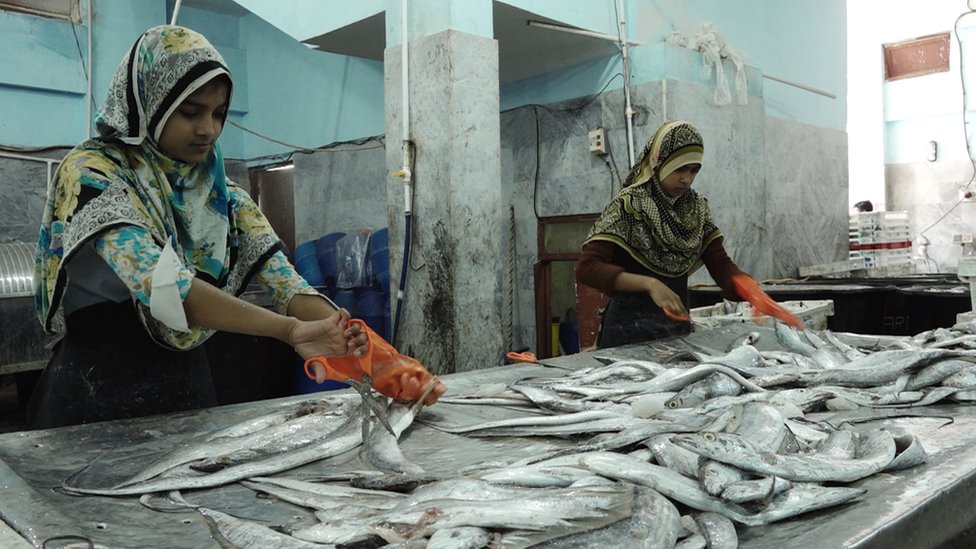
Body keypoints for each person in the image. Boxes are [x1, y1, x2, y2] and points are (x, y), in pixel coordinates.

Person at [30, 25, 444, 429]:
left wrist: (376, 355)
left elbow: (285, 282)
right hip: (95, 395)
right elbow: (167, 288)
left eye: (219, 114)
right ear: (148, 103)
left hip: (185, 388)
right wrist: (292, 331)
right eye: (190, 112)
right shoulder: (92, 174)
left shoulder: (217, 193)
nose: (208, 128)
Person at [575, 120, 801, 348]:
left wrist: (749, 289)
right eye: (679, 169)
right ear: (658, 162)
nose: (687, 179)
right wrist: (650, 284)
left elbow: (720, 263)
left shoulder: (696, 209)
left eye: (694, 170)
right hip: (626, 334)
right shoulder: (628, 206)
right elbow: (587, 268)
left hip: (676, 331)